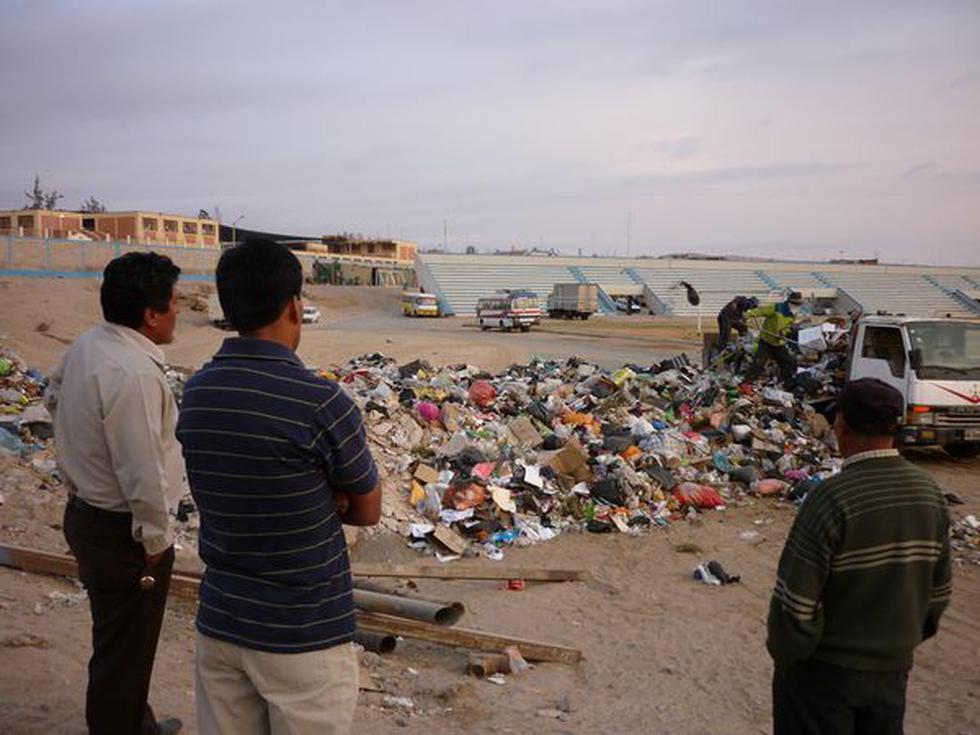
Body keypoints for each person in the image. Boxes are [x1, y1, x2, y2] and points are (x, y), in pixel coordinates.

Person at [176, 239, 382, 735]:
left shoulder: (197, 392)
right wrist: (327, 497)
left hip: (222, 622)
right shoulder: (320, 402)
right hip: (303, 632)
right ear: (293, 306)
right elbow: (367, 509)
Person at [46, 252, 185, 735]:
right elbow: (142, 470)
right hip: (122, 531)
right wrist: (155, 540)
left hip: (88, 514)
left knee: (122, 641)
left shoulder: (89, 345)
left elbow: (52, 396)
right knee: (125, 648)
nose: (178, 311)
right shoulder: (134, 373)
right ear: (151, 314)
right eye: (173, 302)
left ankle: (135, 723)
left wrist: (81, 451)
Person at [767, 378, 952, 734]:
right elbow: (939, 591)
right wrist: (899, 644)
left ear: (842, 426)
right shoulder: (928, 492)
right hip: (891, 673)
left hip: (824, 675)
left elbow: (795, 603)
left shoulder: (831, 498)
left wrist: (790, 656)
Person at [745, 291, 803, 384]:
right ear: (789, 303)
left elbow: (788, 327)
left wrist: (784, 334)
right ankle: (747, 383)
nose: (796, 306)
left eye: (798, 305)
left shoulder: (793, 314)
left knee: (789, 362)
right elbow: (760, 311)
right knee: (758, 363)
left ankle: (785, 382)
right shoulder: (776, 308)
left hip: (779, 344)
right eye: (795, 304)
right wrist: (745, 316)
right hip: (766, 342)